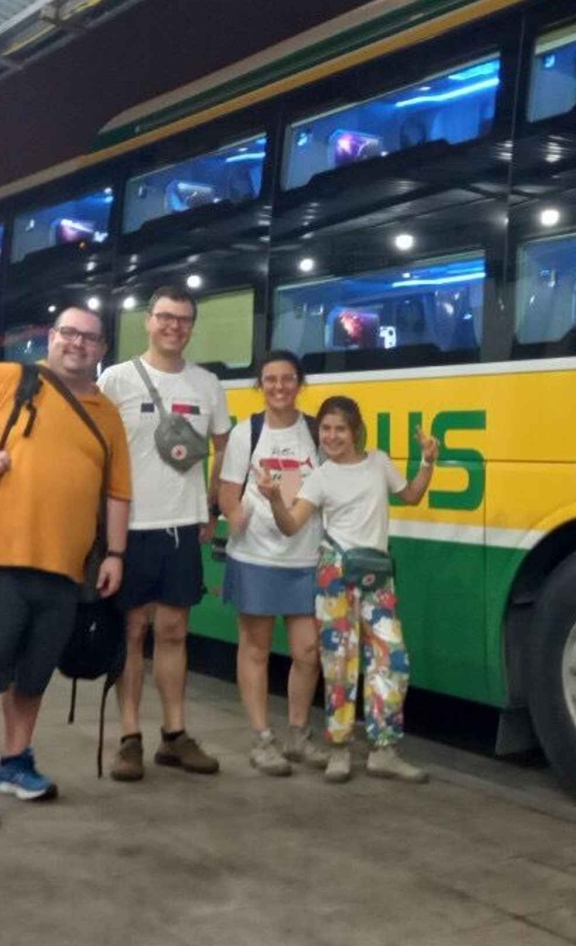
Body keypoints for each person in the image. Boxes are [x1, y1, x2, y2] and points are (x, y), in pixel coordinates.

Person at [0, 305, 131, 826]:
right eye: (68, 333)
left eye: (89, 338)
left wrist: (114, 553)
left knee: (34, 673)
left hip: (64, 565)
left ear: (102, 349)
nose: (77, 343)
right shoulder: (7, 378)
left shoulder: (107, 412)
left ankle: (15, 762)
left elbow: (117, 491)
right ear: (51, 337)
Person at [256, 396, 436, 784]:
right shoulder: (320, 477)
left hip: (377, 576)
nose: (332, 436)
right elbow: (291, 525)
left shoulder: (379, 463)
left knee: (392, 659)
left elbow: (411, 495)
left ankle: (383, 751)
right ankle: (339, 748)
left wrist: (428, 462)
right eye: (325, 429)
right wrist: (274, 500)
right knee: (339, 662)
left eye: (340, 428)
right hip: (335, 574)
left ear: (355, 431)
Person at [99, 287, 230, 781]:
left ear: (192, 326)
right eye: (166, 317)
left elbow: (224, 447)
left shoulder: (206, 383)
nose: (175, 326)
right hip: (130, 528)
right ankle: (129, 737)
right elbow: (99, 449)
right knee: (132, 631)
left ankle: (174, 735)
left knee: (174, 631)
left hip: (182, 528)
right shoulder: (116, 379)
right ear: (148, 321)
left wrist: (211, 506)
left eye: (184, 319)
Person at [217, 351, 328, 775]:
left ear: (300, 383)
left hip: (306, 557)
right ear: (260, 385)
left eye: (287, 379)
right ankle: (262, 738)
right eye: (270, 380)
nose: (279, 387)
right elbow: (228, 491)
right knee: (256, 649)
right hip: (256, 557)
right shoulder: (246, 432)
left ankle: (298, 734)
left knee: (308, 650)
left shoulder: (316, 431)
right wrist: (233, 515)